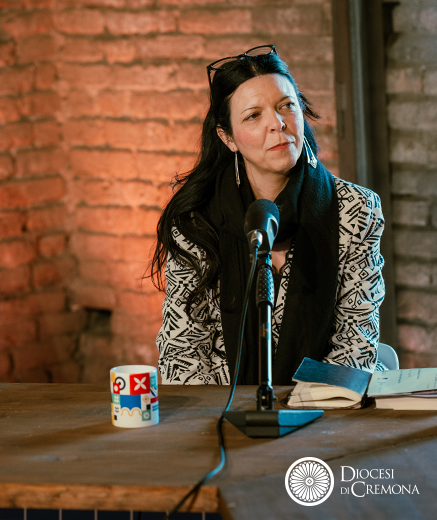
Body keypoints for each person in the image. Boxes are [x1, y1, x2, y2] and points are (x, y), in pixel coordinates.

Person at [151, 46, 385, 386]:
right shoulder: (197, 219)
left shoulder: (356, 209)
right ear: (227, 137)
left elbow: (355, 342)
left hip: (324, 405)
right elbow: (182, 351)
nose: (277, 124)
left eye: (287, 105)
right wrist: (222, 413)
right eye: (253, 116)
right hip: (221, 407)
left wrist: (307, 409)